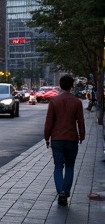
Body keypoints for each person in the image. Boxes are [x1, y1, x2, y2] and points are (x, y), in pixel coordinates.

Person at [44, 73, 86, 206]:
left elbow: (49, 121)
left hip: (56, 138)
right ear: (72, 86)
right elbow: (80, 121)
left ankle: (61, 191)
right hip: (71, 138)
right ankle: (66, 191)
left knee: (58, 166)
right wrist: (82, 136)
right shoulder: (77, 102)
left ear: (60, 85)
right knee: (69, 166)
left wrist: (47, 137)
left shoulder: (54, 101)